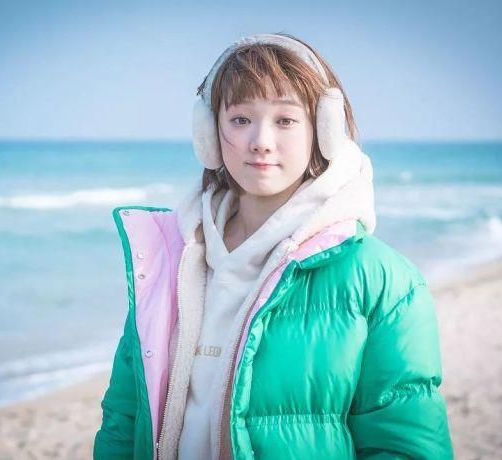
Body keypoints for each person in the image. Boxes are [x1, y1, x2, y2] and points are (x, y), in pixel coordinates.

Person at [93, 32, 453, 460]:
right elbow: (123, 420)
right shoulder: (164, 261)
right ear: (209, 132)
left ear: (324, 131)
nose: (261, 141)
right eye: (240, 119)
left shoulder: (384, 281)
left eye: (285, 120)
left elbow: (404, 446)